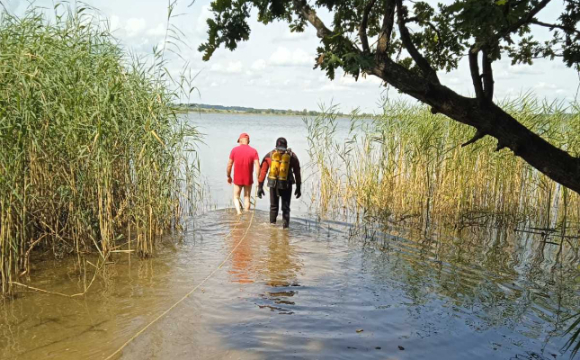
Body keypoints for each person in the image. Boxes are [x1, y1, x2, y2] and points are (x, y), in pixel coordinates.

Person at [257, 137, 302, 228]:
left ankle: (272, 226)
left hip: (273, 185)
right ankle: (285, 229)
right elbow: (297, 172)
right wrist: (298, 187)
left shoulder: (269, 155)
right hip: (287, 185)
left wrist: (260, 187)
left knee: (273, 207)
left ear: (276, 146)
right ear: (286, 146)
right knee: (285, 208)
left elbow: (263, 172)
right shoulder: (292, 156)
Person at [227, 133, 260, 215]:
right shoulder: (253, 151)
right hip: (248, 178)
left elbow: (229, 164)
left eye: (239, 141)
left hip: (237, 178)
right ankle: (246, 215)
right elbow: (257, 166)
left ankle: (238, 212)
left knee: (236, 197)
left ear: (241, 140)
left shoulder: (234, 150)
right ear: (248, 141)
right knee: (247, 197)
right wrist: (258, 179)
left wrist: (228, 176)